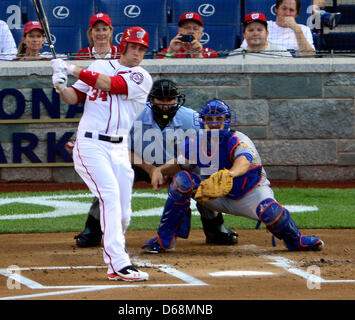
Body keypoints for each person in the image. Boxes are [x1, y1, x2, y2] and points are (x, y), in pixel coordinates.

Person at [74, 79, 238, 251]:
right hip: (138, 163)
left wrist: (176, 170)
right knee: (111, 182)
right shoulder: (134, 114)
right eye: (160, 99)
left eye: (169, 100)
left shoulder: (191, 118)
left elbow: (201, 148)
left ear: (177, 99)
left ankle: (215, 228)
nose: (165, 105)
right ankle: (92, 230)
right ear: (150, 99)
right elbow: (119, 146)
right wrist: (151, 169)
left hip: (179, 165)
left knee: (205, 181)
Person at [142, 99, 324, 253]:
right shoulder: (198, 141)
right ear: (203, 121)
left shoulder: (239, 139)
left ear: (227, 120)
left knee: (273, 213)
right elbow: (181, 162)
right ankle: (165, 240)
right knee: (182, 181)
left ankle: (295, 240)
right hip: (217, 195)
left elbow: (243, 162)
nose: (214, 123)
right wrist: (159, 170)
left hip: (250, 194)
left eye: (219, 118)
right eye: (209, 119)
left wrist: (229, 174)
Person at [50, 26, 153, 282]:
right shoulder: (99, 65)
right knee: (109, 196)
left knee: (123, 213)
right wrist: (60, 85)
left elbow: (111, 84)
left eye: (142, 49)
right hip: (90, 145)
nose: (137, 53)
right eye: (134, 47)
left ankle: (115, 259)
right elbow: (74, 97)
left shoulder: (142, 77)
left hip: (119, 148)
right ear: (123, 46)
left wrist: (70, 68)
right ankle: (118, 263)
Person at [241, 0, 315, 57]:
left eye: (291, 10)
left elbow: (309, 56)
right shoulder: (263, 26)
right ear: (276, 9)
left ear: (296, 14)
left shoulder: (304, 29)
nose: (287, 13)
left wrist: (296, 29)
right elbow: (244, 51)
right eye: (284, 8)